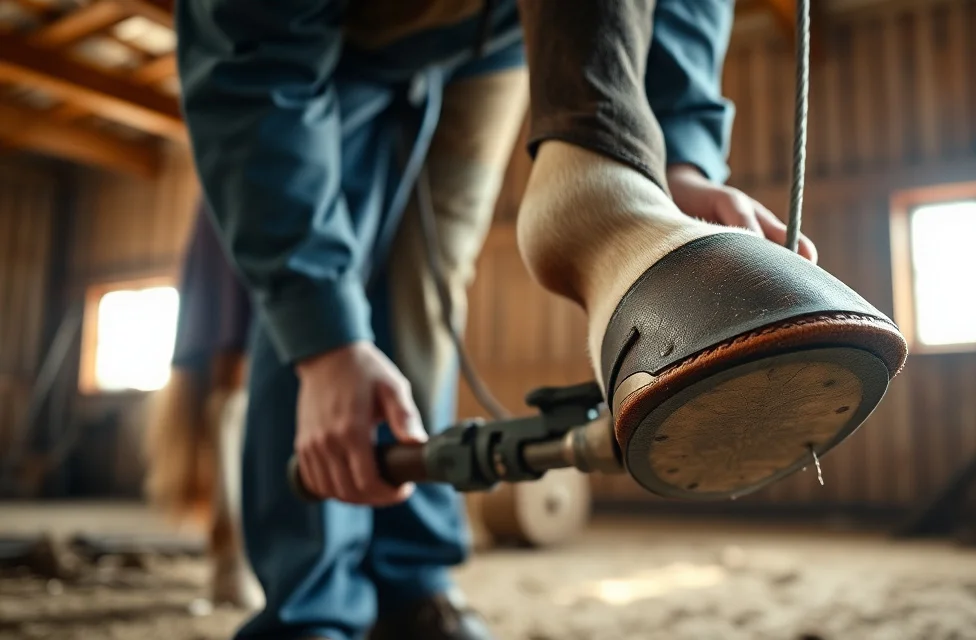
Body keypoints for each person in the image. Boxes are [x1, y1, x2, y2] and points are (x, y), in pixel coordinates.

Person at [175, 1, 908, 638]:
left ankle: (412, 581)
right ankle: (311, 609)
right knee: (324, 301)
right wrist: (326, 340)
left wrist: (679, 157)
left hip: (493, 41)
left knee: (431, 290)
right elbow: (249, 62)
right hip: (319, 32)